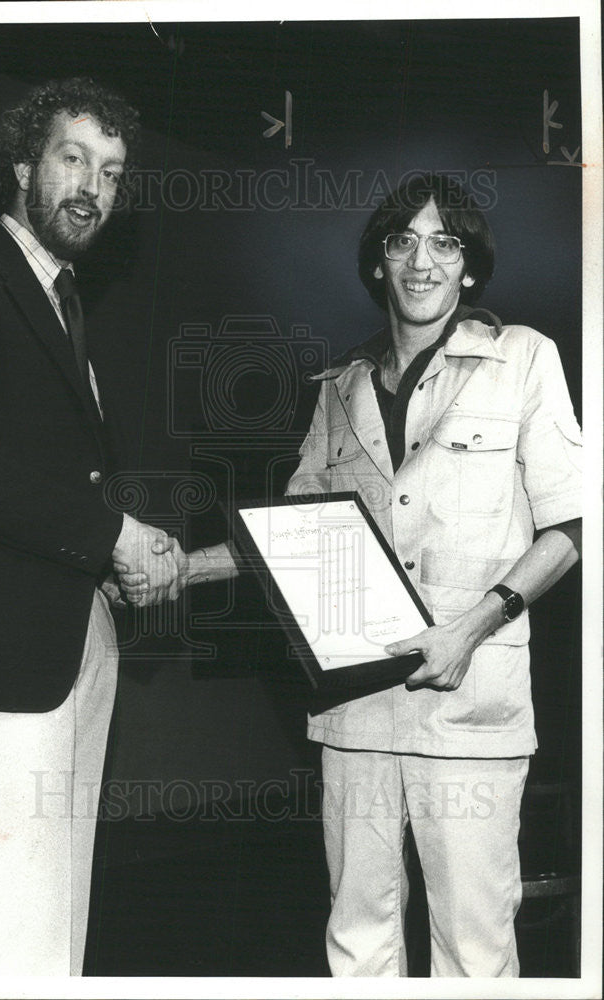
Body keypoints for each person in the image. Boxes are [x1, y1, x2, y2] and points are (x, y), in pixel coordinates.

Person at [118, 172, 582, 977]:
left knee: (472, 946)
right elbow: (295, 537)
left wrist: (467, 631)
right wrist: (173, 569)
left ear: (469, 266)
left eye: (445, 243)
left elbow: (570, 525)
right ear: (377, 263)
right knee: (356, 936)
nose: (422, 262)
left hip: (467, 704)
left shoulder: (521, 359)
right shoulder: (338, 389)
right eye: (401, 242)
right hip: (356, 708)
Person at [0, 77, 184, 976]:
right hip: (1, 653)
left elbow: (51, 479)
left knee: (54, 918)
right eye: (73, 160)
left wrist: (109, 558)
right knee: (7, 924)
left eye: (111, 172)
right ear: (25, 165)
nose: (92, 188)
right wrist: (114, 537)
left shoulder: (65, 300)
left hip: (75, 636)